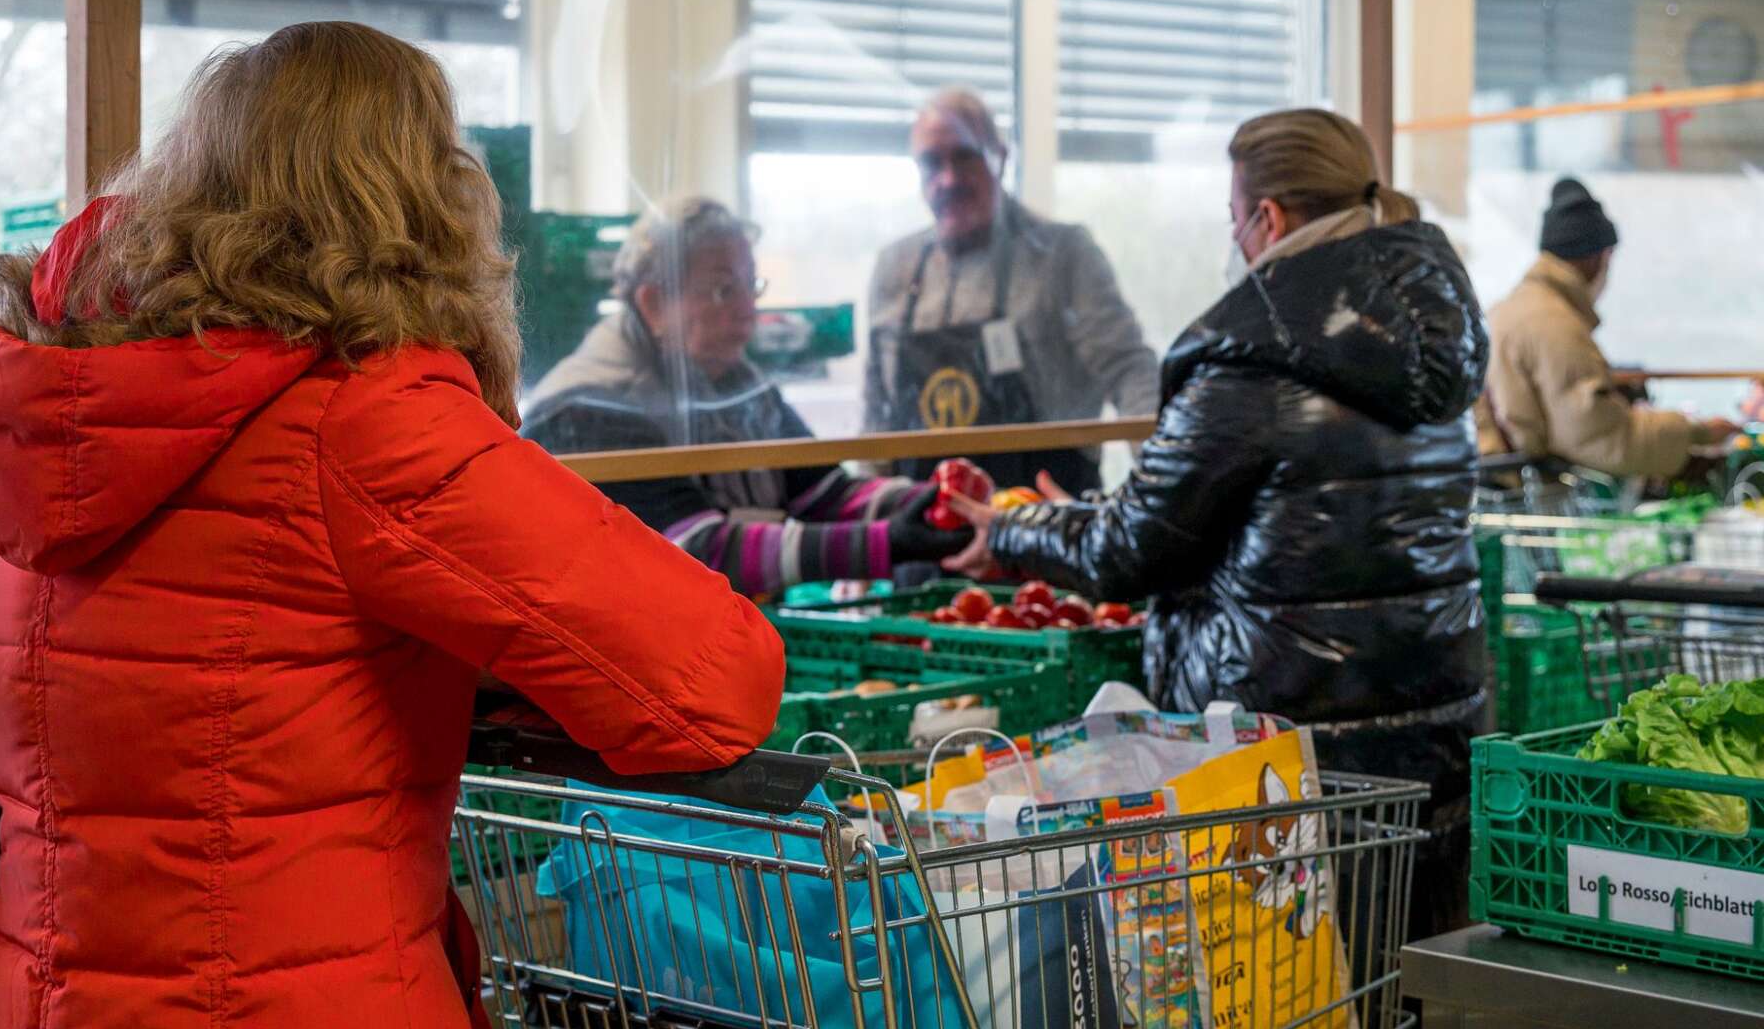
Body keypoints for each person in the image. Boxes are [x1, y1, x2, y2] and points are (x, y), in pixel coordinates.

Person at [0, 23, 784, 1029]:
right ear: (418, 193)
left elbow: (230, 647)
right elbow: (714, 685)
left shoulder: (67, 408)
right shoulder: (362, 414)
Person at [943, 108, 1488, 936]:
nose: (1235, 239)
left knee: (1299, 987)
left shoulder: (1253, 359)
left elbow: (1134, 547)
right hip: (1435, 730)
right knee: (1396, 977)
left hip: (1289, 756)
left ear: (1266, 218)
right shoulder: (1435, 350)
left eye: (1234, 219)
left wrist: (1011, 532)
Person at [524, 196, 971, 596]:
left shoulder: (735, 383)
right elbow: (701, 552)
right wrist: (886, 542)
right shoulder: (592, 405)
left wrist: (937, 503)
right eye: (723, 290)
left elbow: (824, 493)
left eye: (750, 285)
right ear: (654, 304)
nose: (747, 308)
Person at [864, 87, 1159, 495]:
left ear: (999, 157)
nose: (948, 179)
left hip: (1044, 520)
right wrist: (869, 519)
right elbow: (877, 414)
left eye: (965, 157)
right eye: (932, 163)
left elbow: (1129, 369)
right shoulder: (894, 268)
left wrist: (1164, 480)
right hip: (924, 525)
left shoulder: (1063, 255)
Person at [1476, 177, 1738, 477]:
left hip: (1498, 483)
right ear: (1597, 256)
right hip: (1529, 491)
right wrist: (1695, 432)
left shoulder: (1510, 308)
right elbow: (1601, 437)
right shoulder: (1555, 325)